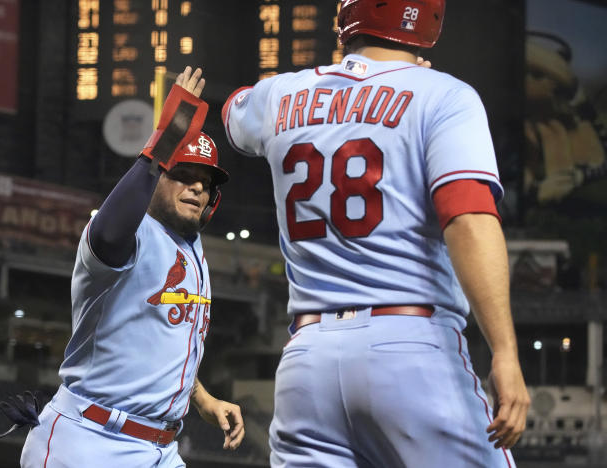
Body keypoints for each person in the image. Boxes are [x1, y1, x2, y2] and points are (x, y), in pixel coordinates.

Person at [221, 1, 529, 467]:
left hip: (307, 362)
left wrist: (333, 76)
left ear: (346, 21)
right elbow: (467, 218)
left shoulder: (281, 95)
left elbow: (231, 112)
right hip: (409, 346)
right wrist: (505, 351)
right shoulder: (443, 95)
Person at [11, 67, 244, 467]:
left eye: (206, 183)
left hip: (160, 449)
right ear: (157, 177)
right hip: (90, 440)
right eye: (184, 175)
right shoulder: (126, 235)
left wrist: (203, 398)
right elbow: (111, 228)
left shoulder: (194, 250)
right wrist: (160, 147)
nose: (198, 188)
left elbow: (160, 348)